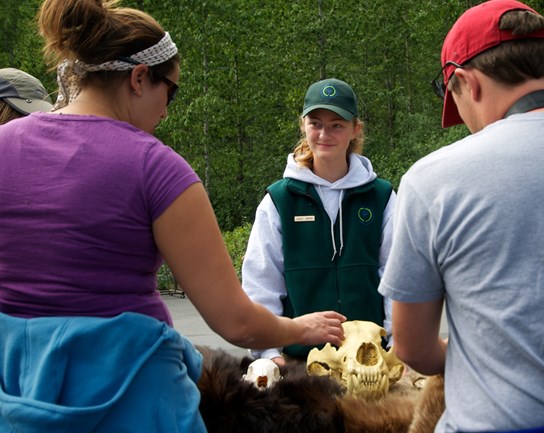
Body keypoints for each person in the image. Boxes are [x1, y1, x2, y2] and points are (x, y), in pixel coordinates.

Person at [0, 1, 344, 432]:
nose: (166, 111)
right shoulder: (158, 168)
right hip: (136, 401)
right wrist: (298, 327)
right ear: (139, 78)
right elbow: (234, 321)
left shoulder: (4, 144)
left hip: (18, 396)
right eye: (171, 92)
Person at [378, 1, 544, 432]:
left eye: (456, 102)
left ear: (467, 83)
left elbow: (411, 346)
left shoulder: (433, 181)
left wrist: (491, 355)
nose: (466, 123)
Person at [242, 78, 396, 366]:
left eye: (337, 124)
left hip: (370, 362)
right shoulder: (279, 199)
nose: (325, 133)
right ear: (303, 125)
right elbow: (261, 282)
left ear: (355, 129)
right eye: (316, 123)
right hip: (300, 363)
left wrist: (399, 344)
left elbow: (396, 278)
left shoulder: (382, 197)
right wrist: (269, 353)